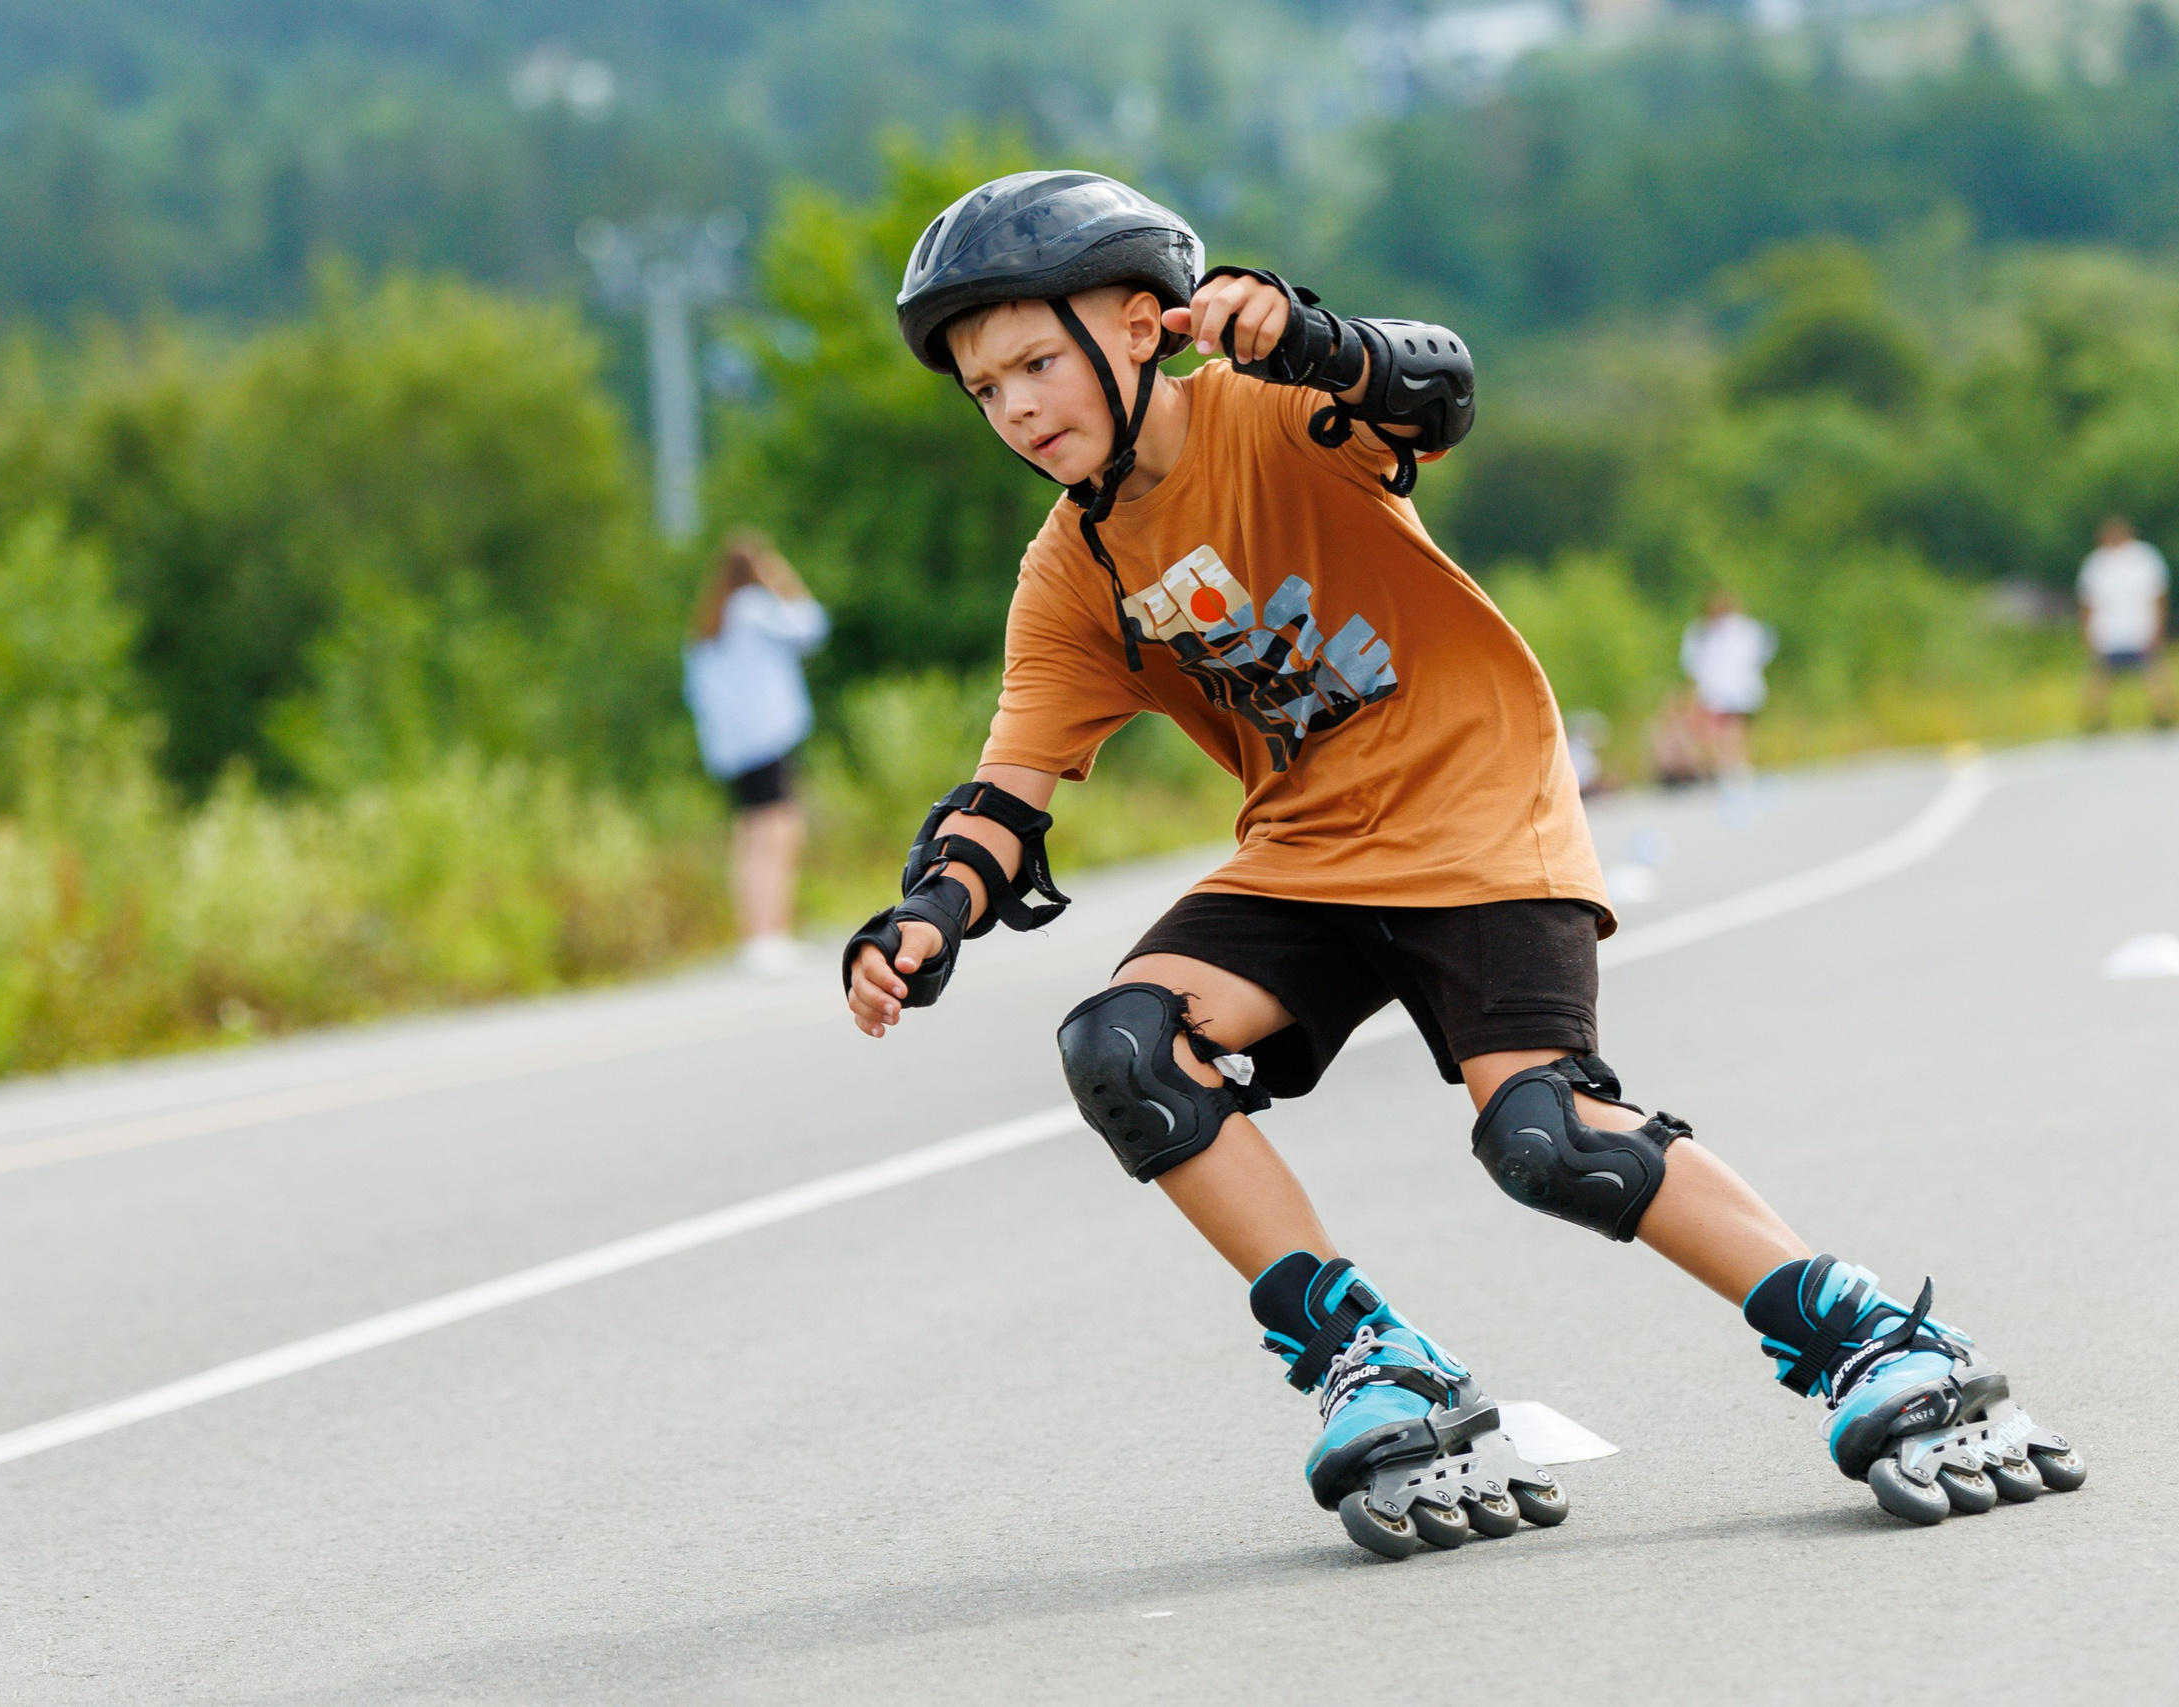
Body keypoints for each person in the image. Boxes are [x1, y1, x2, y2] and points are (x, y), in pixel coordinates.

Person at [839, 170, 2081, 1551]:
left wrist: (1304, 338)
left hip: (1479, 801)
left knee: (1541, 1136)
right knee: (1125, 1044)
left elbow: (1431, 392)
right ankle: (1372, 1358)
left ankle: (1872, 1335)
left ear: (1140, 323)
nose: (1013, 405)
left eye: (1031, 362)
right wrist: (927, 917)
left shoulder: (1270, 416)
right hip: (1310, 847)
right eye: (983, 387)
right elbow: (1005, 795)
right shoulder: (1072, 573)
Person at [684, 531, 828, 978]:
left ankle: (757, 936)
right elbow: (812, 626)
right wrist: (783, 578)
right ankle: (771, 936)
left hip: (732, 748)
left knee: (750, 836)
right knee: (780, 833)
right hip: (767, 739)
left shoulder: (709, 624)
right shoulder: (752, 609)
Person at [2076, 518, 2178, 730]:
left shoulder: (2144, 558)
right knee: (2100, 676)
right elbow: (2087, 602)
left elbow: (2158, 595)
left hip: (2140, 627)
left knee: (2154, 672)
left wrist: (2158, 627)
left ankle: (2164, 715)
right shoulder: (2096, 563)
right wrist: (2086, 633)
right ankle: (2095, 720)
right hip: (2107, 630)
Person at [1679, 590, 1775, 778]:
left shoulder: (1741, 630)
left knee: (1732, 728)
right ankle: (1729, 765)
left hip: (1733, 689)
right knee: (1720, 730)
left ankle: (1734, 765)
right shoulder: (1703, 633)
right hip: (1718, 690)